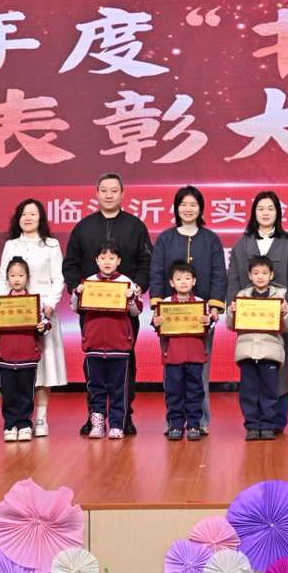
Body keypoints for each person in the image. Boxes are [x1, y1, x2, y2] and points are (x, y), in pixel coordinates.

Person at [62, 173, 152, 436]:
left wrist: (138, 287)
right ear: (97, 194)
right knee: (93, 364)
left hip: (124, 312)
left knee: (125, 363)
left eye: (114, 190)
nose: (109, 195)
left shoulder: (136, 226)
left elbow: (147, 263)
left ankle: (124, 417)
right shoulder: (83, 227)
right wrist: (76, 288)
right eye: (104, 190)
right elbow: (71, 264)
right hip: (91, 312)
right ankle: (95, 417)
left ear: (123, 194)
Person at [225, 191, 288, 433]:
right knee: (251, 369)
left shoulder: (287, 243)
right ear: (254, 213)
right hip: (250, 317)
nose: (266, 213)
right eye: (261, 209)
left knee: (279, 366)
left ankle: (275, 420)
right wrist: (233, 308)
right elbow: (233, 279)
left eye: (271, 208)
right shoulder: (243, 243)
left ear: (278, 213)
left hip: (281, 315)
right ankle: (254, 421)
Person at [150, 186, 226, 434]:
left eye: (193, 204)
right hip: (170, 317)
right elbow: (157, 272)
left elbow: (219, 273)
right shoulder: (165, 238)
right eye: (183, 204)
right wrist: (157, 306)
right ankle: (173, 421)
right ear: (176, 208)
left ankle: (199, 421)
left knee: (199, 371)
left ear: (201, 208)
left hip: (201, 316)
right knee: (172, 372)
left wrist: (214, 307)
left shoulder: (211, 238)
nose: (188, 209)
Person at [0, 199, 66, 437]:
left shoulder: (51, 245)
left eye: (33, 214)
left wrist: (50, 305)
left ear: (41, 218)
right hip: (16, 312)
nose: (28, 218)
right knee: (17, 367)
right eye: (23, 214)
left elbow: (59, 278)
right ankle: (16, 419)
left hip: (43, 313)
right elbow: (2, 278)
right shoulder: (11, 245)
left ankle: (41, 419)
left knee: (45, 367)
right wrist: (2, 308)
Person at [72, 240, 142, 440]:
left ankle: (117, 425)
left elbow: (136, 311)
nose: (107, 261)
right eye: (103, 257)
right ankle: (98, 424)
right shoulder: (88, 283)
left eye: (112, 257)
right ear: (96, 260)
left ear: (119, 260)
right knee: (96, 388)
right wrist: (77, 294)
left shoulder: (127, 283)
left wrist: (131, 297)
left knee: (119, 390)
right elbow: (75, 308)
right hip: (94, 346)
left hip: (119, 347)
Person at [228, 255, 288, 441]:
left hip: (270, 353)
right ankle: (251, 426)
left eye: (264, 273)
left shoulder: (279, 298)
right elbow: (230, 325)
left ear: (271, 275)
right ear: (250, 275)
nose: (260, 276)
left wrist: (285, 313)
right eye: (256, 273)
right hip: (247, 352)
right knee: (248, 391)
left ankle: (267, 425)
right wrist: (232, 312)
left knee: (269, 391)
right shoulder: (242, 297)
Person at [0, 256, 52, 443]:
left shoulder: (35, 303)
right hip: (6, 357)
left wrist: (42, 327)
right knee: (8, 395)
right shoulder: (0, 303)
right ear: (7, 278)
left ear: (28, 277)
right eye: (12, 275)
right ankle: (10, 426)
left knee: (25, 394)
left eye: (20, 275)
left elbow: (46, 324)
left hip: (28, 357)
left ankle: (24, 425)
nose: (16, 279)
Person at [152, 260, 214, 441]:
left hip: (195, 357)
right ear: (171, 283)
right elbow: (157, 326)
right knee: (174, 393)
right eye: (179, 279)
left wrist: (208, 321)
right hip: (173, 357)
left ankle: (194, 424)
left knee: (195, 392)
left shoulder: (201, 303)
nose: (183, 282)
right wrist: (156, 322)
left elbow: (210, 326)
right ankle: (176, 425)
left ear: (194, 281)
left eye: (187, 278)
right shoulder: (164, 304)